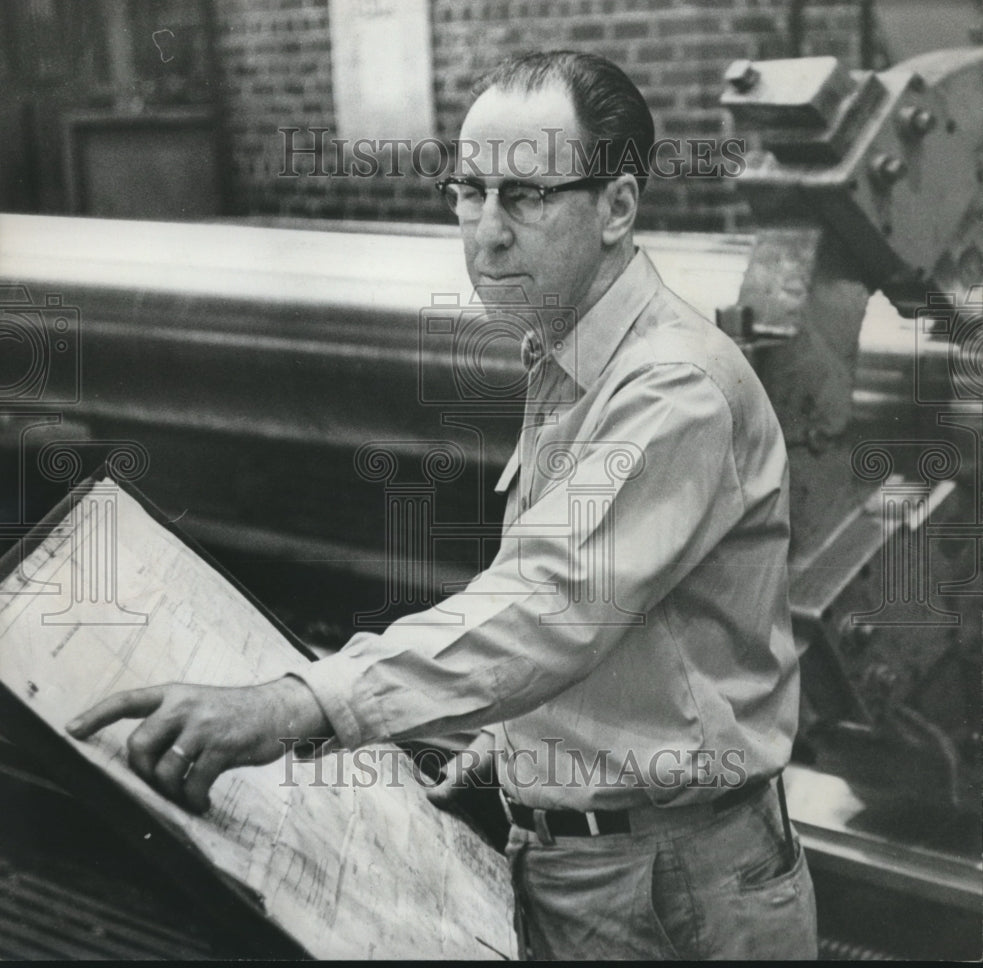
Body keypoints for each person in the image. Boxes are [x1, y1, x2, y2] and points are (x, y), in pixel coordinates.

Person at [68, 50, 818, 959]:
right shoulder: (566, 353)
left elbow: (548, 607)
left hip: (671, 892)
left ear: (618, 207)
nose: (486, 232)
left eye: (526, 197)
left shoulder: (669, 388)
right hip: (603, 861)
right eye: (469, 192)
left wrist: (293, 704)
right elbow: (626, 629)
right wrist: (522, 744)